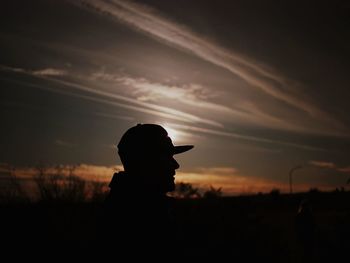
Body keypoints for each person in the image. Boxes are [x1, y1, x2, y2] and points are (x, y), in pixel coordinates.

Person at [100, 123, 193, 257]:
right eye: (167, 156)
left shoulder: (124, 207)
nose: (176, 165)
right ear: (146, 162)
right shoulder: (137, 217)